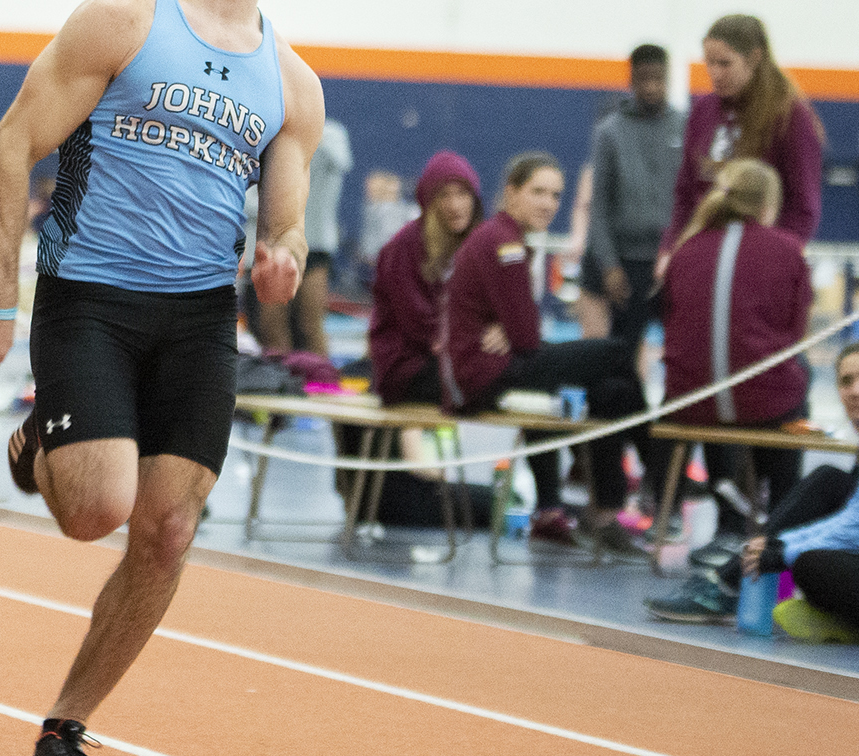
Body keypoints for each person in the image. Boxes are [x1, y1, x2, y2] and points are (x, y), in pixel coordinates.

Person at [0, 0, 323, 756]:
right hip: (91, 300)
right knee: (95, 509)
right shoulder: (121, 18)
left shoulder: (292, 84)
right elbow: (8, 150)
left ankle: (67, 722)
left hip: (200, 318)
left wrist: (281, 255)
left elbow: (283, 219)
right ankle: (43, 443)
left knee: (165, 531)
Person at [648, 342, 859, 647]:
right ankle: (732, 583)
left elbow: (857, 529)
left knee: (811, 564)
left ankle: (738, 585)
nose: (856, 390)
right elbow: (851, 517)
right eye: (846, 381)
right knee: (830, 480)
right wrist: (779, 546)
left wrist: (781, 551)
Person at [438, 152, 670, 556]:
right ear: (511, 193)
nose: (548, 204)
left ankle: (604, 512)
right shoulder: (505, 243)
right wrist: (511, 330)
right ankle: (660, 472)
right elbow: (527, 336)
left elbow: (519, 331)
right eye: (538, 193)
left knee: (612, 391)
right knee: (616, 352)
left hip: (501, 366)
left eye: (556, 196)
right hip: (487, 376)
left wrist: (509, 329)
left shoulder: (509, 239)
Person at [657, 159, 811, 525]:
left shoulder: (686, 248)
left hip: (689, 400)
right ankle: (780, 519)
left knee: (714, 378)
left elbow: (671, 321)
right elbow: (796, 333)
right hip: (761, 403)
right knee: (793, 379)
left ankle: (719, 516)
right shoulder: (789, 250)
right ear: (768, 206)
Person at [354, 150, 496, 527]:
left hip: (451, 362)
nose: (455, 205)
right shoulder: (403, 248)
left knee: (519, 371)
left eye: (463, 194)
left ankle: (553, 504)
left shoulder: (478, 246)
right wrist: (484, 336)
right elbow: (424, 328)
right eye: (444, 196)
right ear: (427, 202)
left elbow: (498, 314)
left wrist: (499, 330)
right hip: (407, 371)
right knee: (505, 375)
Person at [664, 14, 824, 259]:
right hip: (702, 251)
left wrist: (777, 259)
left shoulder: (790, 116)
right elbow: (685, 192)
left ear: (754, 58)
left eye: (725, 64)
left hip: (758, 255)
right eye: (709, 63)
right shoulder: (703, 110)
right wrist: (670, 248)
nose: (715, 73)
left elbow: (803, 208)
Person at [576, 45, 682, 347]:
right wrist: (609, 265)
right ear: (631, 80)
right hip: (623, 264)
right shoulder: (609, 132)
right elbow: (598, 207)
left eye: (658, 78)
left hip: (669, 261)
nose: (651, 87)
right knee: (620, 353)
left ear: (668, 78)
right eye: (643, 78)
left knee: (679, 347)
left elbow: (692, 200)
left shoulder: (685, 127)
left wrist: (677, 251)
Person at [253, 118, 348, 355]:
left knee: (310, 323)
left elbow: (342, 160)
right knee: (272, 323)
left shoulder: (332, 134)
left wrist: (303, 130)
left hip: (315, 245)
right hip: (275, 244)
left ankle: (321, 380)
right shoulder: (268, 133)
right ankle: (280, 382)